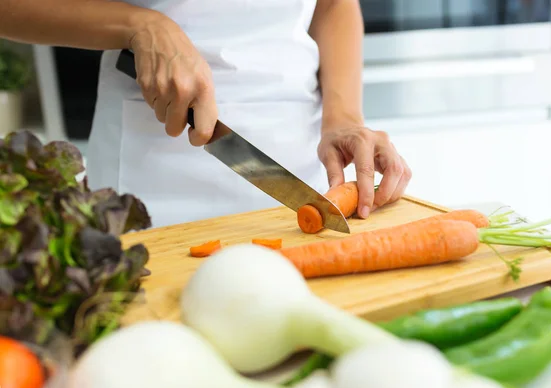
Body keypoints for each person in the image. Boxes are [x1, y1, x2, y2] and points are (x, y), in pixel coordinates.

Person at [1, 0, 412, 228]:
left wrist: (342, 118)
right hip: (151, 164)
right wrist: (139, 25)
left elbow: (333, 4)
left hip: (296, 158)